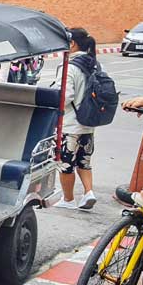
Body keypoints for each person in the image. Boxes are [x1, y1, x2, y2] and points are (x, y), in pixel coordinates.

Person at [52, 28, 99, 211]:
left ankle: (68, 199)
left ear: (72, 44)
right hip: (88, 125)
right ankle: (89, 193)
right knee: (84, 162)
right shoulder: (94, 64)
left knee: (66, 164)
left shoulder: (70, 67)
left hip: (70, 126)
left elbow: (65, 96)